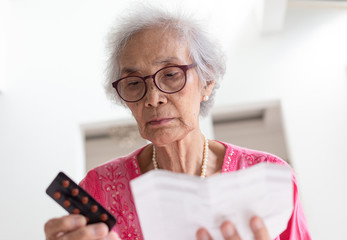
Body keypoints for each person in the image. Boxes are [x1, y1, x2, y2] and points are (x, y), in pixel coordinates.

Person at [44, 6, 311, 240]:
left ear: (206, 82)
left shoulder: (267, 175)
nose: (153, 98)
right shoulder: (99, 187)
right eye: (135, 83)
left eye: (171, 74)